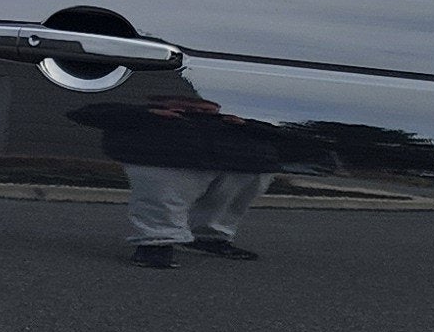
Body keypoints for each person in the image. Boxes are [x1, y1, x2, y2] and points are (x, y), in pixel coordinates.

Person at [68, 83, 278, 267]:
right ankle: (156, 244)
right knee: (163, 200)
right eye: (187, 106)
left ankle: (209, 238)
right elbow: (84, 114)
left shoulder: (235, 120)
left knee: (228, 201)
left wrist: (248, 125)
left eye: (203, 107)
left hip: (244, 163)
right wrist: (147, 114)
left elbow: (282, 134)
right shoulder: (141, 114)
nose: (195, 110)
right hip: (164, 159)